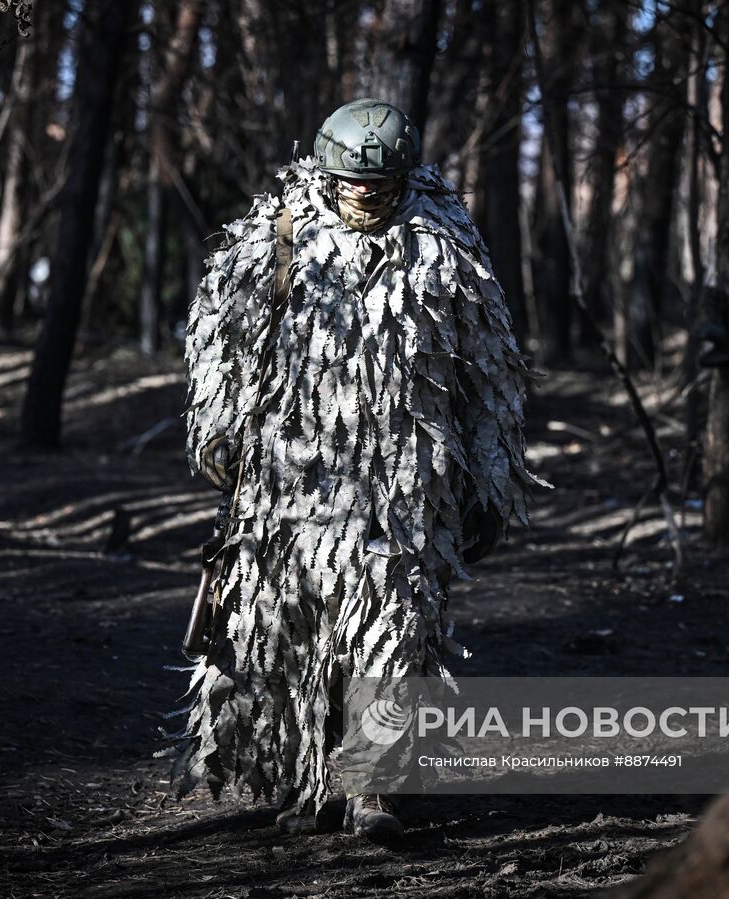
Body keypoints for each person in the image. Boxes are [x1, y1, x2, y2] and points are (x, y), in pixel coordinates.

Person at [170, 98, 548, 844]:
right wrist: (220, 432)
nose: (365, 196)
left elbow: (490, 369)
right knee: (296, 634)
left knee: (393, 628)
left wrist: (491, 477)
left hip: (407, 479)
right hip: (291, 478)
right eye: (351, 183)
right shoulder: (277, 234)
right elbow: (223, 335)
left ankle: (374, 786)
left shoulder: (446, 242)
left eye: (379, 184)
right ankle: (313, 783)